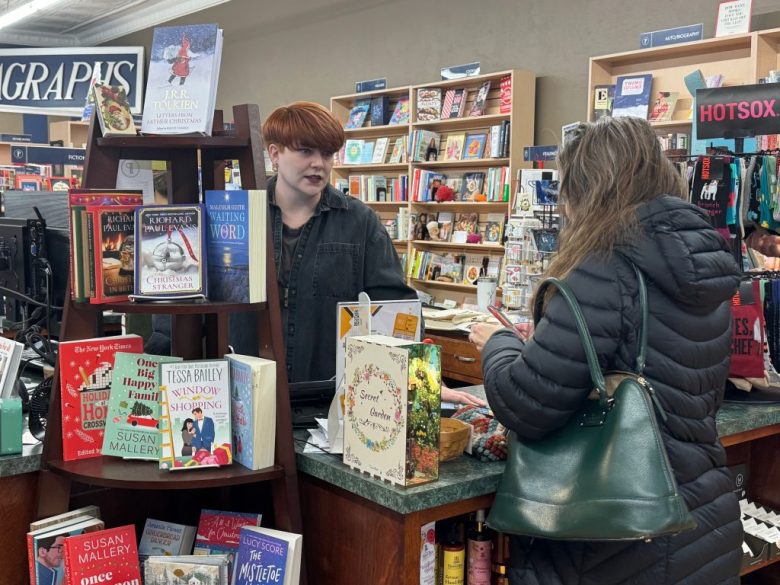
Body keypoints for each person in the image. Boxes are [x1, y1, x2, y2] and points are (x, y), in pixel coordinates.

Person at [469, 117, 742, 584]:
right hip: (702, 520)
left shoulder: (605, 266)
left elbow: (525, 403)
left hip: (616, 538)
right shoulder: (703, 269)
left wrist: (497, 343)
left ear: (587, 188)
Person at [260, 101, 485, 406]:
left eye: (327, 154)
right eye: (305, 151)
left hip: (333, 400)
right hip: (251, 394)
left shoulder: (358, 221)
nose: (319, 164)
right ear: (275, 154)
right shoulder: (245, 215)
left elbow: (395, 307)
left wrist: (423, 379)